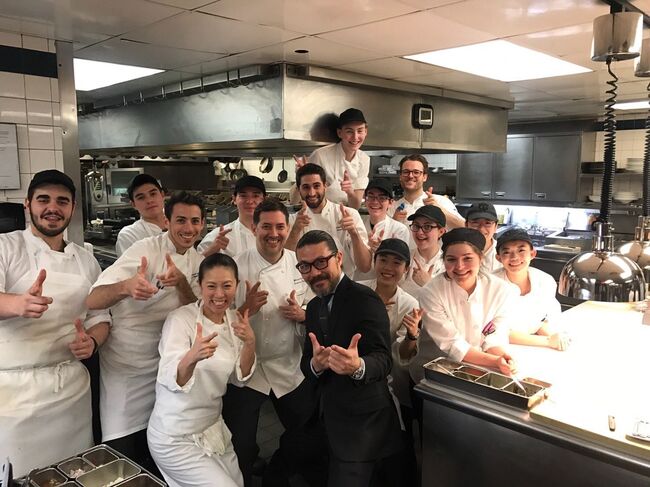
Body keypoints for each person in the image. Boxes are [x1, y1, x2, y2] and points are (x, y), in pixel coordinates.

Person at [0, 170, 111, 476]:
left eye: (62, 201)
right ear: (27, 204)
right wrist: (17, 303)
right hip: (11, 393)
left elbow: (101, 317)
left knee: (72, 473)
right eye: (43, 199)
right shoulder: (6, 247)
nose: (53, 207)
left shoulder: (85, 260)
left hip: (70, 391)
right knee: (16, 475)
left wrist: (93, 341)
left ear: (72, 208)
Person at [86, 191, 205, 471]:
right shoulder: (145, 250)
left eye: (195, 221)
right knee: (121, 447)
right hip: (128, 364)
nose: (188, 228)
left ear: (202, 225)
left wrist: (182, 284)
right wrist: (126, 287)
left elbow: (197, 312)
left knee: (157, 441)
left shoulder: (198, 261)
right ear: (167, 221)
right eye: (181, 220)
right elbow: (93, 299)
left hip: (166, 363)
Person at [223, 198, 322, 487]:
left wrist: (304, 315)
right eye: (266, 226)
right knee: (240, 444)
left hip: (287, 363)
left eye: (280, 226)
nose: (274, 233)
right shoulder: (235, 266)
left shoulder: (300, 264)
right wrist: (246, 308)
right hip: (246, 370)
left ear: (288, 228)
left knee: (307, 431)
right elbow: (215, 317)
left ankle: (278, 476)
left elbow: (318, 306)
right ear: (254, 228)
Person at [297, 230, 403, 487]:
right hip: (326, 416)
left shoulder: (364, 299)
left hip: (363, 423)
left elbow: (383, 359)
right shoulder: (313, 307)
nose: (314, 272)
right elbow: (307, 361)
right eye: (305, 266)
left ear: (339, 258)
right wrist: (316, 365)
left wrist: (357, 366)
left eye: (321, 262)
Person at [147, 253, 256, 487]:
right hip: (174, 435)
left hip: (213, 428)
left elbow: (240, 379)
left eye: (227, 286)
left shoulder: (235, 320)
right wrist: (192, 357)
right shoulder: (180, 319)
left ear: (236, 285)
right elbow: (170, 377)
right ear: (200, 286)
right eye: (211, 286)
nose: (219, 294)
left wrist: (250, 343)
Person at [407, 228, 518, 391]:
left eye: (467, 258)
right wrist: (495, 361)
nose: (459, 266)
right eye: (451, 259)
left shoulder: (500, 290)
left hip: (478, 369)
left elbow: (494, 334)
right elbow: (452, 344)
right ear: (443, 261)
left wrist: (502, 356)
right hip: (434, 372)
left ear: (480, 258)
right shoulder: (431, 292)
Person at [358, 238, 420, 487]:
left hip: (388, 380)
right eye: (383, 260)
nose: (388, 267)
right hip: (354, 372)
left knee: (394, 443)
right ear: (375, 262)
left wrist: (412, 336)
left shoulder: (409, 304)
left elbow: (402, 354)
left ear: (406, 269)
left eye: (397, 263)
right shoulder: (358, 291)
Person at [286, 163, 371, 277]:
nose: (312, 193)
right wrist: (295, 231)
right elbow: (286, 264)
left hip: (342, 283)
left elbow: (365, 267)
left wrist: (354, 233)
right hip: (305, 285)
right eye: (306, 187)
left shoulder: (349, 215)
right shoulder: (293, 220)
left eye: (316, 186)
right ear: (298, 189)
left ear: (325, 185)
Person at [494, 228, 570, 351]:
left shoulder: (545, 281)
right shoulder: (490, 285)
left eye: (521, 250)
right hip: (500, 349)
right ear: (499, 258)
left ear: (532, 254)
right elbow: (492, 330)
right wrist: (548, 341)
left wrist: (556, 337)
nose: (514, 257)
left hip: (534, 348)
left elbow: (544, 320)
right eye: (507, 252)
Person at [294, 108, 369, 209]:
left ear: (365, 132)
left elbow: (355, 206)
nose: (355, 137)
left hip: (347, 215)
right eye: (349, 131)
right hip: (321, 214)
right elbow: (298, 199)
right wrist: (301, 175)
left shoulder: (364, 159)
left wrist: (350, 192)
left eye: (360, 131)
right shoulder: (320, 155)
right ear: (339, 133)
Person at [354, 179, 409, 281]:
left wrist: (380, 250)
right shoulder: (357, 224)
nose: (375, 202)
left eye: (382, 198)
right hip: (359, 282)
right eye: (371, 197)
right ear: (365, 200)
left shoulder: (399, 229)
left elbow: (399, 265)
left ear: (390, 203)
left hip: (385, 284)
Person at [199, 176, 266, 258]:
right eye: (243, 196)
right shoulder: (216, 237)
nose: (249, 201)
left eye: (255, 196)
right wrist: (212, 249)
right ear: (234, 199)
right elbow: (195, 264)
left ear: (264, 199)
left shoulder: (272, 235)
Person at [390, 154, 464, 229]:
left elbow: (465, 227)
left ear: (424, 177)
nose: (410, 176)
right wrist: (393, 222)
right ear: (400, 176)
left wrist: (440, 210)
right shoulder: (392, 207)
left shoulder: (441, 201)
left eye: (416, 172)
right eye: (406, 172)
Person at [400, 205, 446, 300]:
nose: (420, 232)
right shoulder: (404, 258)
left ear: (441, 232)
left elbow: (451, 302)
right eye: (416, 226)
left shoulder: (448, 264)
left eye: (427, 227)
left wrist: (428, 284)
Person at [115, 173, 167, 256]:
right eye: (141, 197)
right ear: (133, 204)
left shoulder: (180, 223)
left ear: (162, 195)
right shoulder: (129, 235)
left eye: (153, 194)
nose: (149, 200)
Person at [465, 201, 503, 273]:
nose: (481, 229)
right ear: (466, 225)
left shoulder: (503, 253)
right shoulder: (456, 251)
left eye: (488, 223)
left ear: (496, 226)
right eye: (475, 223)